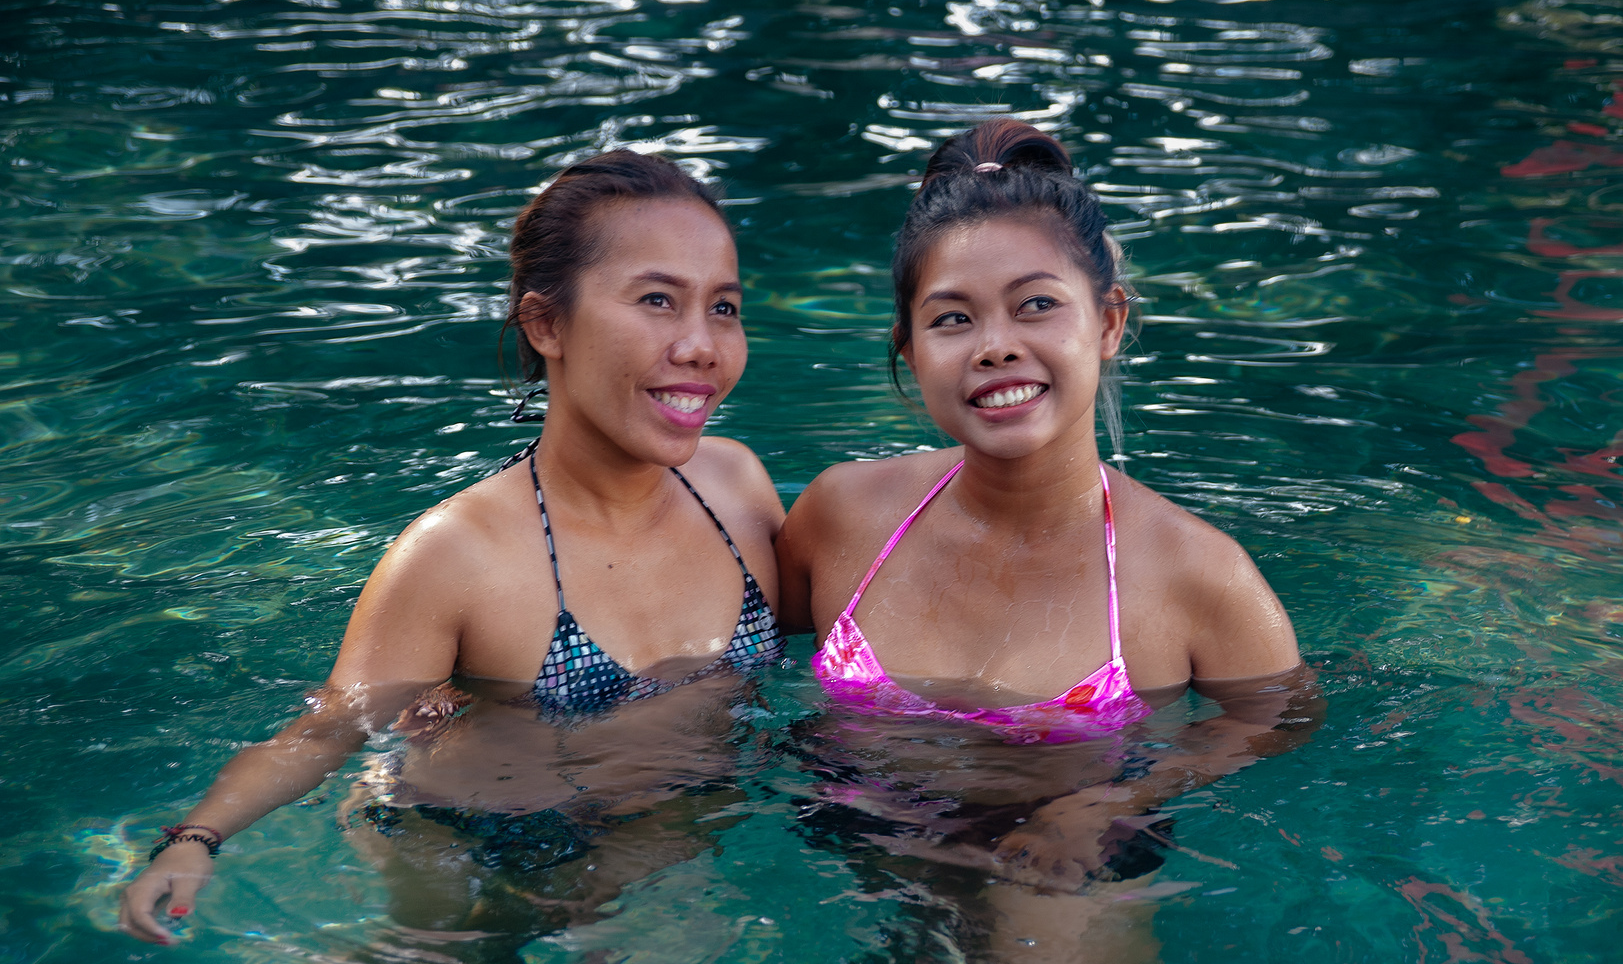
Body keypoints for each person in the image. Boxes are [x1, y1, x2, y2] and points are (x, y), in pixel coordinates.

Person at [119, 151, 787, 958]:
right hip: (466, 840)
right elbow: (328, 730)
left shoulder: (738, 489)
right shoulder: (457, 554)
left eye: (724, 307)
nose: (701, 345)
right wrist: (194, 839)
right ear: (546, 326)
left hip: (663, 824)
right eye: (656, 301)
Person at [775, 120, 1319, 962]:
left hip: (1068, 862)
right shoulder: (841, 515)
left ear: (1106, 324)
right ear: (909, 353)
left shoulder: (1194, 575)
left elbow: (1279, 715)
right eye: (951, 318)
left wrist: (1115, 801)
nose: (995, 345)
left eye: (1035, 305)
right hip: (860, 842)